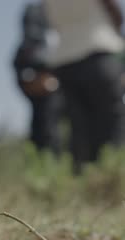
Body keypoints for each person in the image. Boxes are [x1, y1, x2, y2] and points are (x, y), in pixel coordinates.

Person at [44, 0, 125, 171]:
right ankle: (112, 176)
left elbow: (52, 23)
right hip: (98, 51)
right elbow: (116, 15)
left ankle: (84, 177)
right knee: (111, 122)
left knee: (79, 127)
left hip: (65, 61)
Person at [13, 2, 64, 154]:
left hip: (61, 85)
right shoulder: (35, 13)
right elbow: (21, 65)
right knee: (44, 129)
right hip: (42, 91)